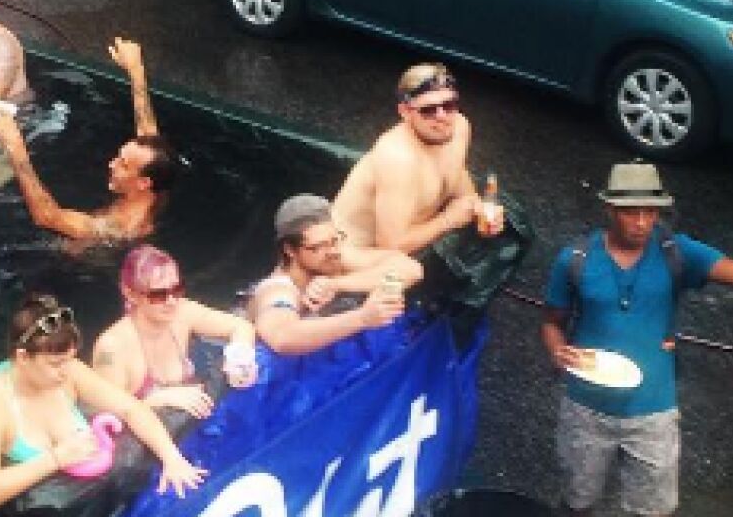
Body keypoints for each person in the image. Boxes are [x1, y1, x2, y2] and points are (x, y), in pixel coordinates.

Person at [542, 163, 733, 517]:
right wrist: (558, 351)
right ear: (609, 208)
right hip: (585, 407)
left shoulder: (677, 252)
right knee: (577, 504)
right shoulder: (574, 258)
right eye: (631, 211)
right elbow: (552, 323)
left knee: (656, 513)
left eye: (651, 211)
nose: (642, 222)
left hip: (653, 410)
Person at [0, 294, 207, 514]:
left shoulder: (70, 372)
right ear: (23, 357)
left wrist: (172, 458)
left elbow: (131, 408)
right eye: (56, 363)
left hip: (86, 506)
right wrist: (56, 459)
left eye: (70, 359)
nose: (66, 371)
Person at [0, 38, 174, 243]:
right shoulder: (158, 186)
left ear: (143, 182)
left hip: (67, 262)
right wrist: (136, 70)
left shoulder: (120, 228)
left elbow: (46, 216)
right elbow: (148, 135)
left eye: (124, 165)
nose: (112, 164)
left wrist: (15, 145)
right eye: (119, 157)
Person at [329, 63, 483, 254]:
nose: (442, 117)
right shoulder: (398, 158)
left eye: (449, 105)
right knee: (409, 272)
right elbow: (391, 246)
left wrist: (480, 210)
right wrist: (448, 220)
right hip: (349, 252)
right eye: (428, 110)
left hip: (413, 237)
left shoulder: (458, 128)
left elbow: (458, 179)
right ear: (405, 112)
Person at [90, 245, 257, 419]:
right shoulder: (110, 348)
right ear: (130, 294)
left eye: (176, 290)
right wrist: (159, 399)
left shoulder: (183, 311)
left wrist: (239, 358)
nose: (171, 301)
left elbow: (241, 326)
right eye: (158, 294)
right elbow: (107, 417)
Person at [247, 195, 420, 356]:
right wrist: (363, 318)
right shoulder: (278, 290)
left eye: (335, 240)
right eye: (318, 246)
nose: (333, 252)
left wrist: (338, 284)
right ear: (289, 250)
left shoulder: (332, 258)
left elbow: (411, 269)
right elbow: (282, 338)